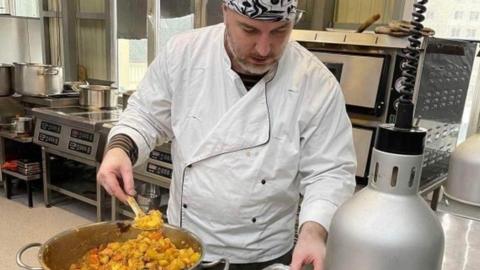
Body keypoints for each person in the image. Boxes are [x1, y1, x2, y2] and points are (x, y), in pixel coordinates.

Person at [98, 0, 356, 269]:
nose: (264, 48)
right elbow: (146, 115)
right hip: (184, 245)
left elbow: (330, 171)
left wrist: (314, 233)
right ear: (225, 12)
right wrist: (119, 148)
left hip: (264, 252)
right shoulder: (183, 53)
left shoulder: (315, 81)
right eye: (249, 30)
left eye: (280, 31)